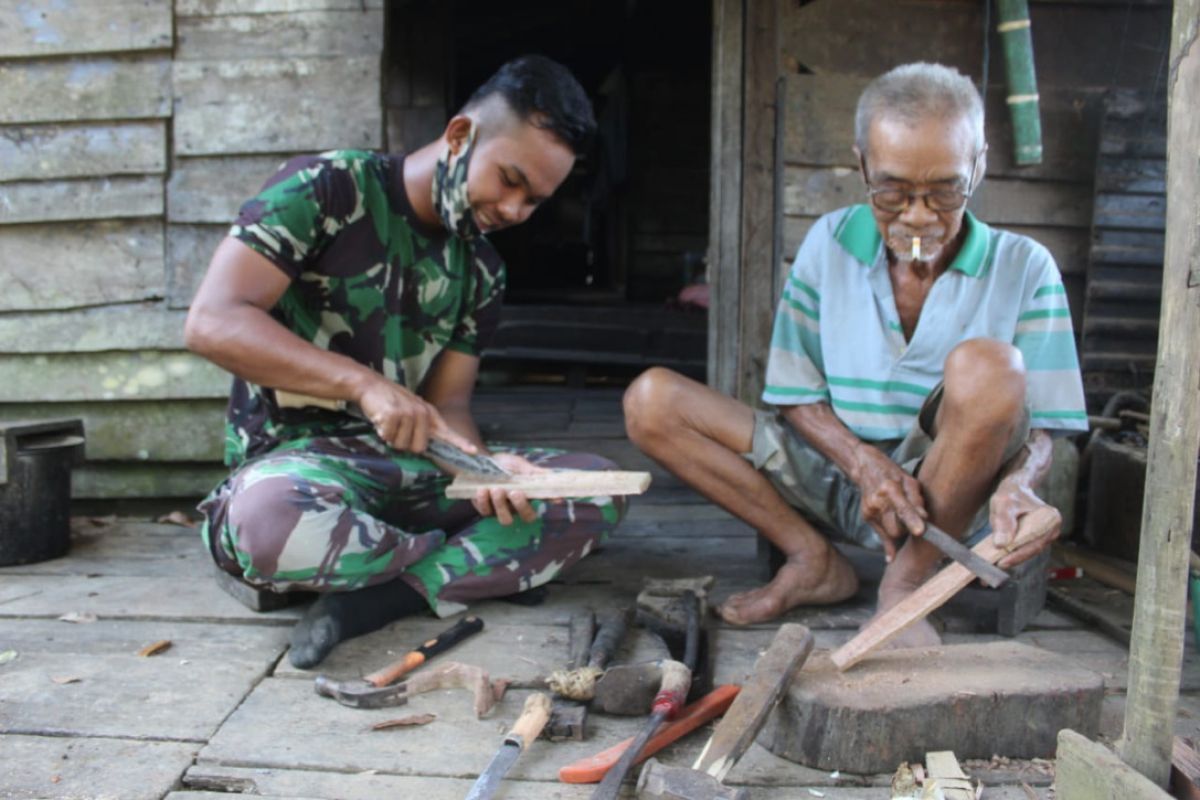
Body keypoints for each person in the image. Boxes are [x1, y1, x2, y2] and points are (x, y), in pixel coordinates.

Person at [185, 55, 626, 668]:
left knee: (595, 486)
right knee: (265, 521)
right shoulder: (328, 188)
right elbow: (211, 322)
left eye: (536, 201)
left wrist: (483, 470)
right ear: (459, 136)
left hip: (413, 471)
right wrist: (364, 386)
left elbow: (449, 406)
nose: (515, 211)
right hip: (299, 469)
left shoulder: (481, 270)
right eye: (509, 180)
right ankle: (474, 563)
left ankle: (378, 597)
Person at [624, 62, 1086, 643]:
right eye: (892, 191)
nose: (918, 216)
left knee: (992, 369)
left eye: (945, 190)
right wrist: (864, 462)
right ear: (862, 163)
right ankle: (811, 558)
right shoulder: (829, 241)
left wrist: (1023, 483)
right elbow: (795, 396)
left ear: (979, 164)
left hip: (955, 505)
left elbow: (1045, 427)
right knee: (653, 401)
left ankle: (907, 584)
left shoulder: (1025, 266)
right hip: (842, 475)